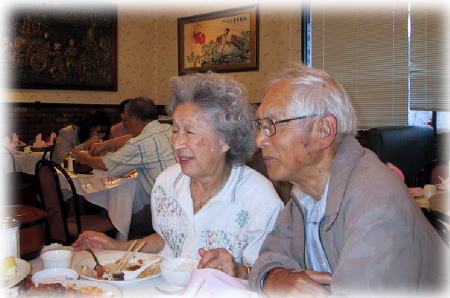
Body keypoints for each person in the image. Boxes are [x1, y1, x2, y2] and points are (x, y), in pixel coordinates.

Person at [248, 66, 447, 296]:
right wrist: (275, 277)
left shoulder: (375, 202)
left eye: (272, 124)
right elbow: (268, 257)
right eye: (261, 126)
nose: (260, 139)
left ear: (324, 131)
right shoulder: (306, 193)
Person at [72, 72, 284, 280]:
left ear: (226, 140)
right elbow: (168, 239)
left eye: (190, 132)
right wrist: (117, 247)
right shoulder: (168, 182)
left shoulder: (260, 200)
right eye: (174, 131)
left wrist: (237, 270)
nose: (178, 144)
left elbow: (272, 276)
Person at [71, 97, 176, 217]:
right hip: (183, 197)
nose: (125, 125)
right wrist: (106, 144)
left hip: (166, 208)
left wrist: (82, 158)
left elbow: (105, 164)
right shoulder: (168, 129)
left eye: (125, 120)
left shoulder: (139, 143)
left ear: (134, 119)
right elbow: (136, 138)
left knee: (126, 219)